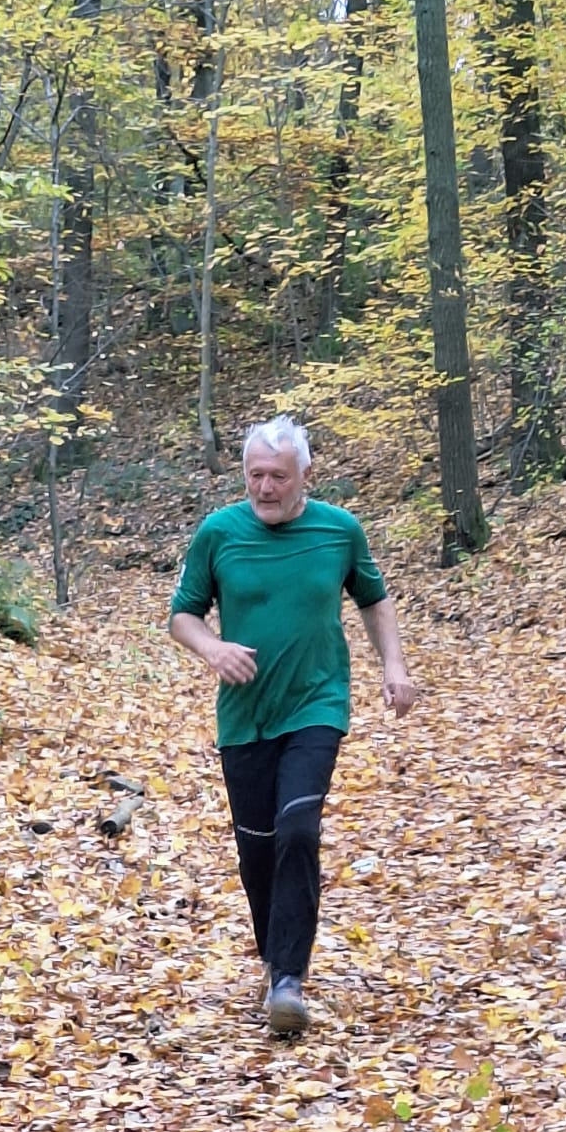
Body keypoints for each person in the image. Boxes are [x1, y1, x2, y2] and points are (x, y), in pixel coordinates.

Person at [169, 414, 416, 1037]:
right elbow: (183, 615)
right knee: (257, 850)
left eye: (278, 476)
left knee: (298, 829)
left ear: (305, 474)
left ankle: (288, 980)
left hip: (316, 704)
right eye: (255, 474)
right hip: (245, 716)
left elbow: (374, 600)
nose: (265, 487)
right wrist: (213, 649)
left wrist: (393, 666)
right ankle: (273, 958)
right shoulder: (219, 533)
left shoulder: (339, 530)